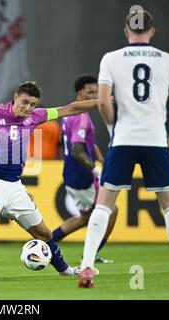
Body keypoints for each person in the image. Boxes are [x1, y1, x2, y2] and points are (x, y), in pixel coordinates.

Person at [79, 10, 169, 288]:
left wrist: (113, 127)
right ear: (152, 31)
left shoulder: (111, 58)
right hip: (155, 139)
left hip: (124, 138)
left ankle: (86, 267)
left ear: (126, 31)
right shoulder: (168, 60)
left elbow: (104, 101)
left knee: (104, 204)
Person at [0, 81, 99, 279]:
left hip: (15, 185)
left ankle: (64, 269)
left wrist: (102, 102)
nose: (28, 108)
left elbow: (71, 108)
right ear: (15, 97)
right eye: (25, 102)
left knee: (44, 234)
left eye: (33, 104)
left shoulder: (36, 116)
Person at [53, 75, 118, 264]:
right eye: (90, 92)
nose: (95, 95)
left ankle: (46, 241)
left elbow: (75, 142)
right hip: (82, 174)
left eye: (96, 92)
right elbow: (76, 149)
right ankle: (92, 254)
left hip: (71, 173)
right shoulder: (81, 115)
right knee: (111, 211)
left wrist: (95, 149)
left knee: (85, 218)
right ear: (79, 93)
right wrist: (96, 170)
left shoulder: (71, 113)